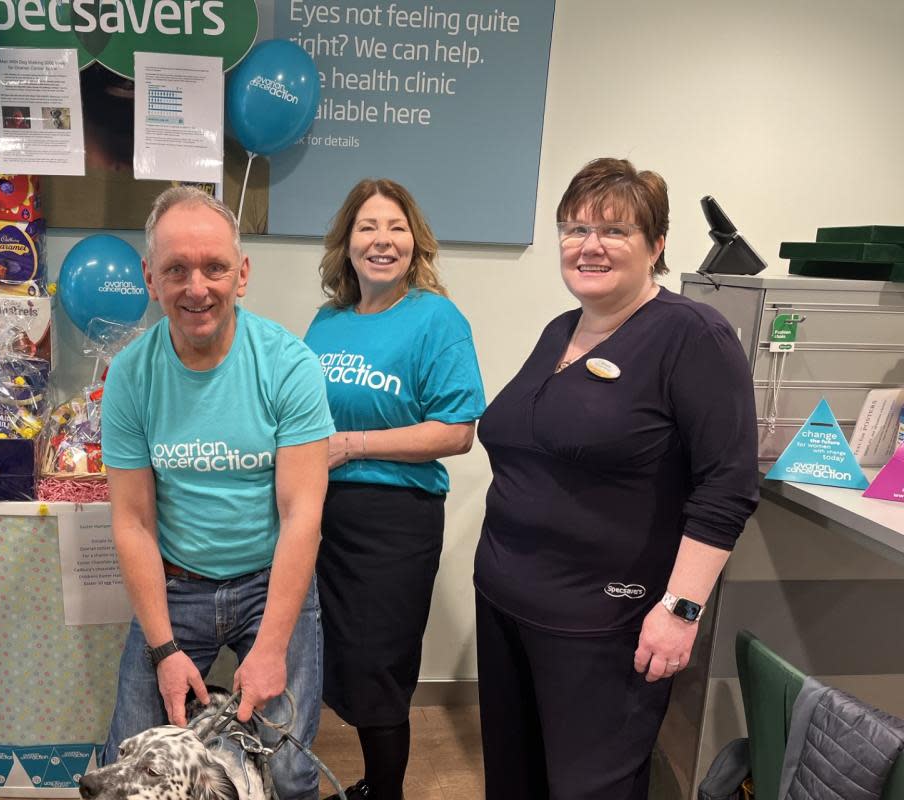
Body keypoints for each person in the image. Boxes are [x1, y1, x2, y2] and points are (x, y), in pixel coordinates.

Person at [474, 157, 760, 799]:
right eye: (574, 229)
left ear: (656, 245)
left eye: (615, 231)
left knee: (589, 787)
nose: (589, 246)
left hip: (602, 623)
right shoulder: (560, 330)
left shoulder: (694, 336)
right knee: (515, 780)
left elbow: (728, 487)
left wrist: (681, 610)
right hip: (505, 602)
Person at [100, 186, 333, 799]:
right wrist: (164, 649)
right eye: (176, 269)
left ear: (243, 273)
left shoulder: (288, 364)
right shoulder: (130, 375)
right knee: (128, 752)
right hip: (178, 584)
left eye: (214, 267)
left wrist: (273, 644)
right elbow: (133, 522)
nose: (196, 287)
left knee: (287, 768)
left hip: (269, 579)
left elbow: (302, 512)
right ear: (151, 278)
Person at [303, 179, 485, 800]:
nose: (383, 241)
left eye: (396, 228)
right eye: (367, 228)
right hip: (322, 516)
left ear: (416, 242)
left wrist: (353, 445)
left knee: (379, 666)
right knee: (327, 659)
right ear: (346, 245)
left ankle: (386, 793)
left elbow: (457, 432)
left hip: (395, 519)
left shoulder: (436, 318)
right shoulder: (326, 323)